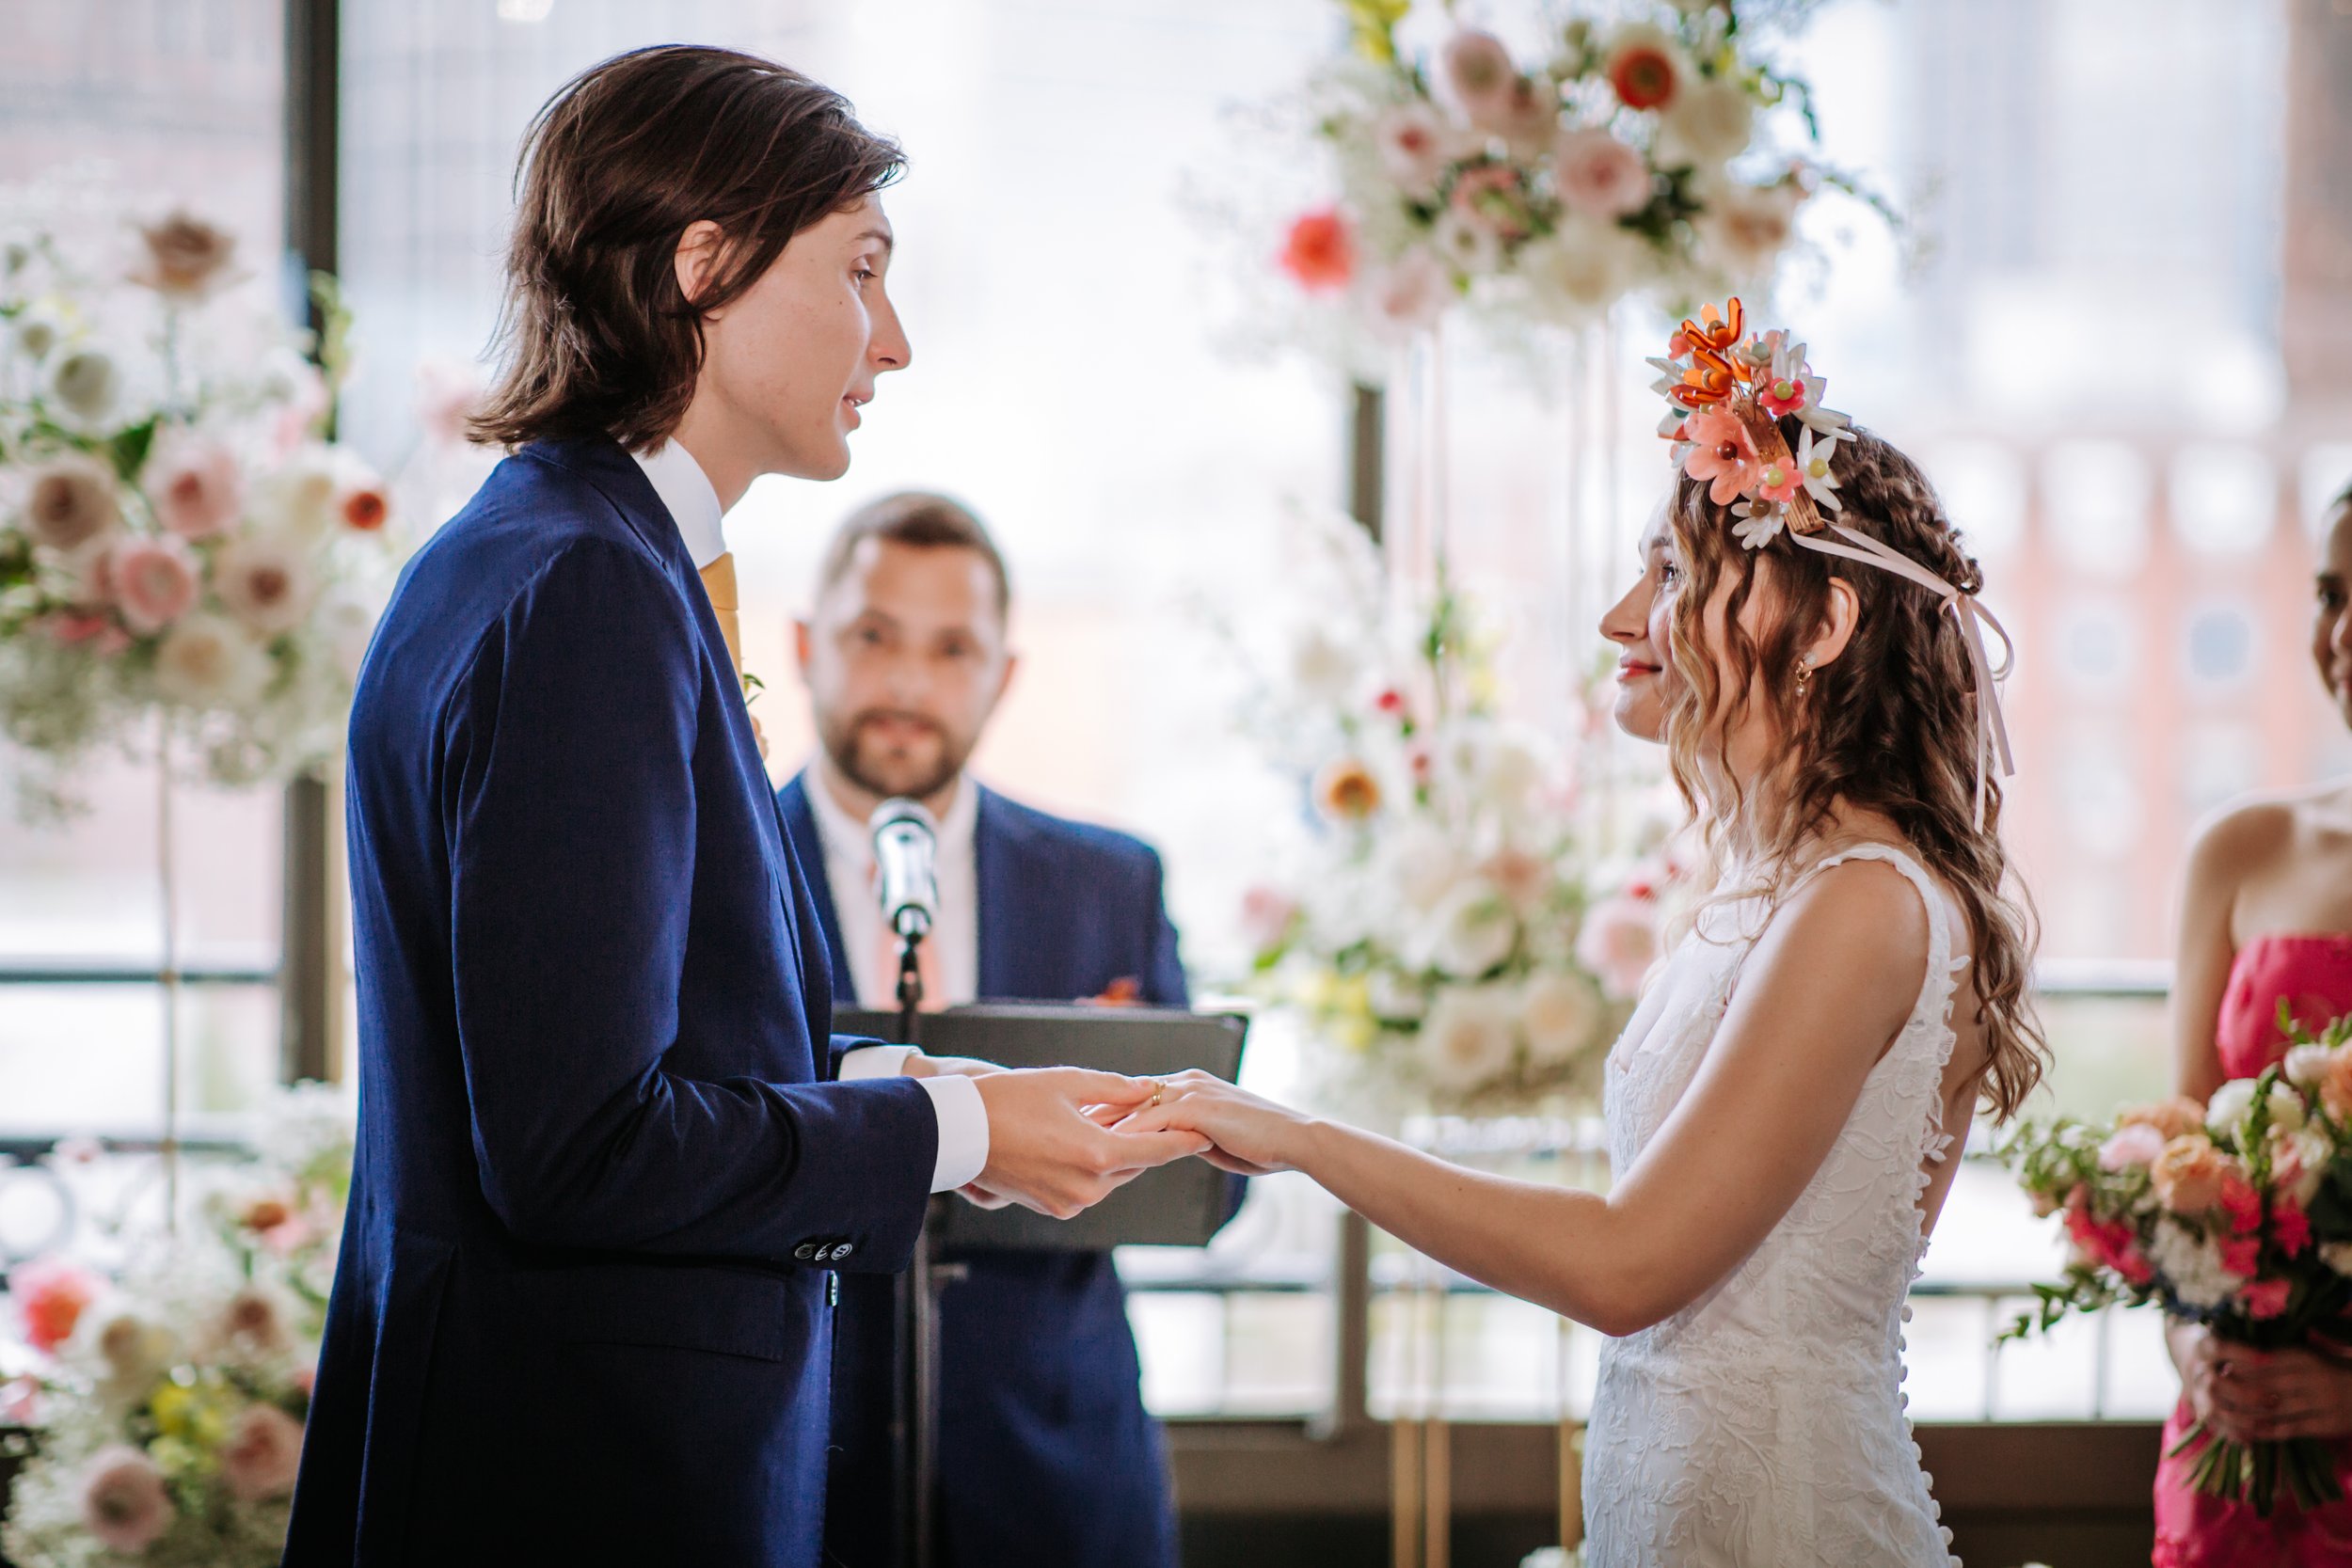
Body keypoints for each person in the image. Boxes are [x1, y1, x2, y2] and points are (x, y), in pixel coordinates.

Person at [282, 47, 1200, 1567]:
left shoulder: (545, 548)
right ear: (704, 266)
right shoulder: (591, 587)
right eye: (862, 268)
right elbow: (582, 1146)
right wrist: (958, 1123)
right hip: (591, 1484)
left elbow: (599, 1050)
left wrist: (890, 1075)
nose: (893, 338)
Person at [1120, 304, 2044, 1566]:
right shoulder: (1770, 889)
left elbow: (1627, 1264)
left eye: (1670, 575)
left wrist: (1300, 1136)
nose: (1619, 617)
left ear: (1825, 627)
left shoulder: (1864, 903)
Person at [777, 491, 1220, 1568]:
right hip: (796, 1458)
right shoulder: (712, 862)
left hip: (1057, 1465)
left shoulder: (1110, 879)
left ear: (1002, 675)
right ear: (804, 646)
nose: (906, 683)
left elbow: (1214, 1179)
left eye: (951, 649)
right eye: (872, 636)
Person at [2155, 482, 2352, 1566]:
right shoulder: (2237, 848)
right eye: (2330, 594)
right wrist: (2192, 1344)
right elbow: (2174, 1171)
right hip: (2230, 1450)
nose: (2342, 634)